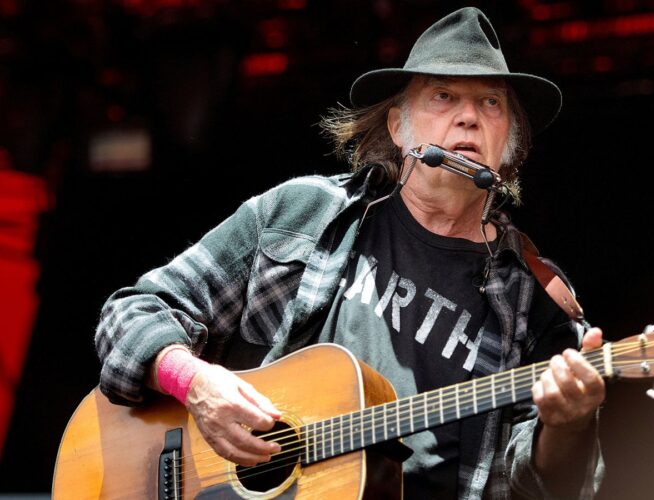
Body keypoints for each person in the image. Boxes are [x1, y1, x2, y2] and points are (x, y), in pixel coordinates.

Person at [95, 7, 605, 499]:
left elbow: (550, 488)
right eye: (444, 96)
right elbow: (131, 313)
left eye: (491, 103)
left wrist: (568, 426)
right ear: (397, 127)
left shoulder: (537, 303)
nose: (469, 117)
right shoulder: (302, 215)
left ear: (510, 143)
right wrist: (197, 385)